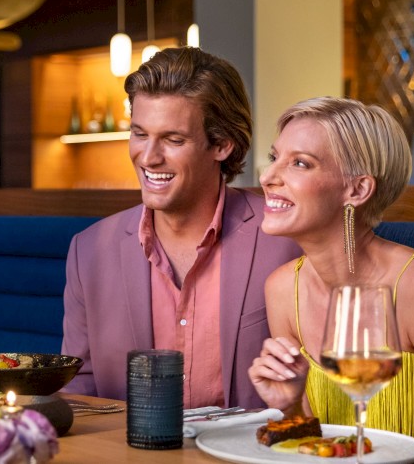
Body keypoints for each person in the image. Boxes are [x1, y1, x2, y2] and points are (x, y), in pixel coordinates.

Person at [247, 97, 414, 456]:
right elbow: (317, 449)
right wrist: (289, 406)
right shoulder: (281, 289)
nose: (267, 177)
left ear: (357, 190)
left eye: (300, 163)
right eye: (276, 158)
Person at [61, 47, 302, 408]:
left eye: (173, 140)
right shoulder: (89, 250)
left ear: (222, 144)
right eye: (140, 134)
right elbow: (78, 387)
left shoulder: (285, 241)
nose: (149, 157)